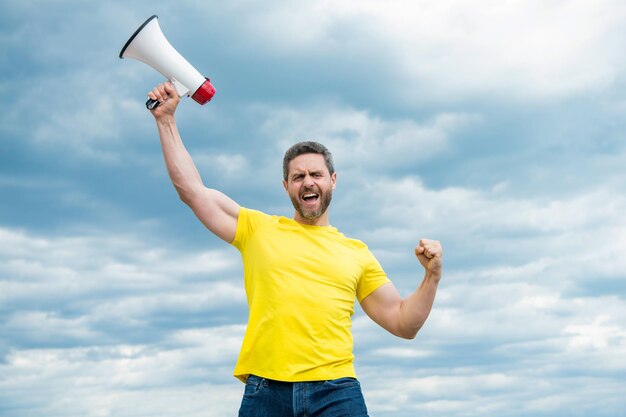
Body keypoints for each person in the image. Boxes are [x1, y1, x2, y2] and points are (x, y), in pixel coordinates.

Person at [147, 82, 443, 417]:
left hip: (336, 392)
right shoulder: (257, 229)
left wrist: (431, 277)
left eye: (316, 174)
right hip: (266, 392)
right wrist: (166, 121)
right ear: (286, 186)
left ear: (333, 180)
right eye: (298, 176)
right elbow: (192, 191)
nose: (307, 182)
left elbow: (404, 323)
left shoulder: (356, 253)